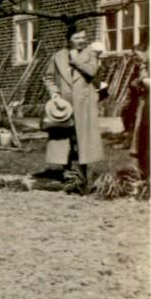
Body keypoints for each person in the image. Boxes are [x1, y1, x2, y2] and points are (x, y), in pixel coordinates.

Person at [44, 28, 104, 185]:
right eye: (77, 37)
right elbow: (48, 77)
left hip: (84, 103)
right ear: (69, 39)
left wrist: (76, 60)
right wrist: (54, 94)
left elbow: (92, 72)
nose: (82, 40)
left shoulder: (90, 54)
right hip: (64, 104)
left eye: (83, 37)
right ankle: (66, 172)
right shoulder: (57, 56)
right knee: (64, 137)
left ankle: (84, 173)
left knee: (82, 139)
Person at [127, 40, 150, 179]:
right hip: (139, 103)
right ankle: (138, 166)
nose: (135, 58)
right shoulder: (140, 67)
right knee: (136, 130)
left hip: (145, 102)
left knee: (141, 130)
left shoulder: (148, 66)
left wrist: (140, 82)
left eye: (137, 55)